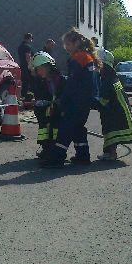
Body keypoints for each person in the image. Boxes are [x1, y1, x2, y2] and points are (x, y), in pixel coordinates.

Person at [41, 29, 100, 168]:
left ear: (76, 43)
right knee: (78, 128)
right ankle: (83, 156)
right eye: (65, 44)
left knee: (65, 129)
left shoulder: (78, 58)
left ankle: (56, 159)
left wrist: (63, 100)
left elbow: (73, 84)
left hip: (76, 101)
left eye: (68, 44)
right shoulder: (88, 57)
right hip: (85, 100)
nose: (66, 47)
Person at [96, 48, 132, 161]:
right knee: (111, 129)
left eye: (98, 63)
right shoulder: (111, 75)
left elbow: (104, 98)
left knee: (112, 130)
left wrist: (93, 103)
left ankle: (112, 154)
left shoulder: (107, 79)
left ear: (103, 64)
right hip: (118, 108)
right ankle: (109, 152)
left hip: (115, 110)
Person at [31, 52, 66, 159]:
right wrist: (38, 102)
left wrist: (58, 104)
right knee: (44, 130)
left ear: (48, 67)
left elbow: (64, 95)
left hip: (57, 112)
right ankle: (46, 148)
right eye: (37, 69)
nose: (38, 72)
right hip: (45, 113)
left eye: (40, 69)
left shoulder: (60, 79)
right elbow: (40, 95)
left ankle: (56, 151)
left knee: (56, 131)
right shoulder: (41, 81)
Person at [17, 32, 34, 99]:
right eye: (31, 39)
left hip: (22, 66)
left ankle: (22, 95)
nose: (31, 40)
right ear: (29, 38)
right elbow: (28, 57)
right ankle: (27, 96)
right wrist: (31, 67)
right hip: (27, 67)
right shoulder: (27, 46)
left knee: (23, 81)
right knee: (29, 81)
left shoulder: (20, 46)